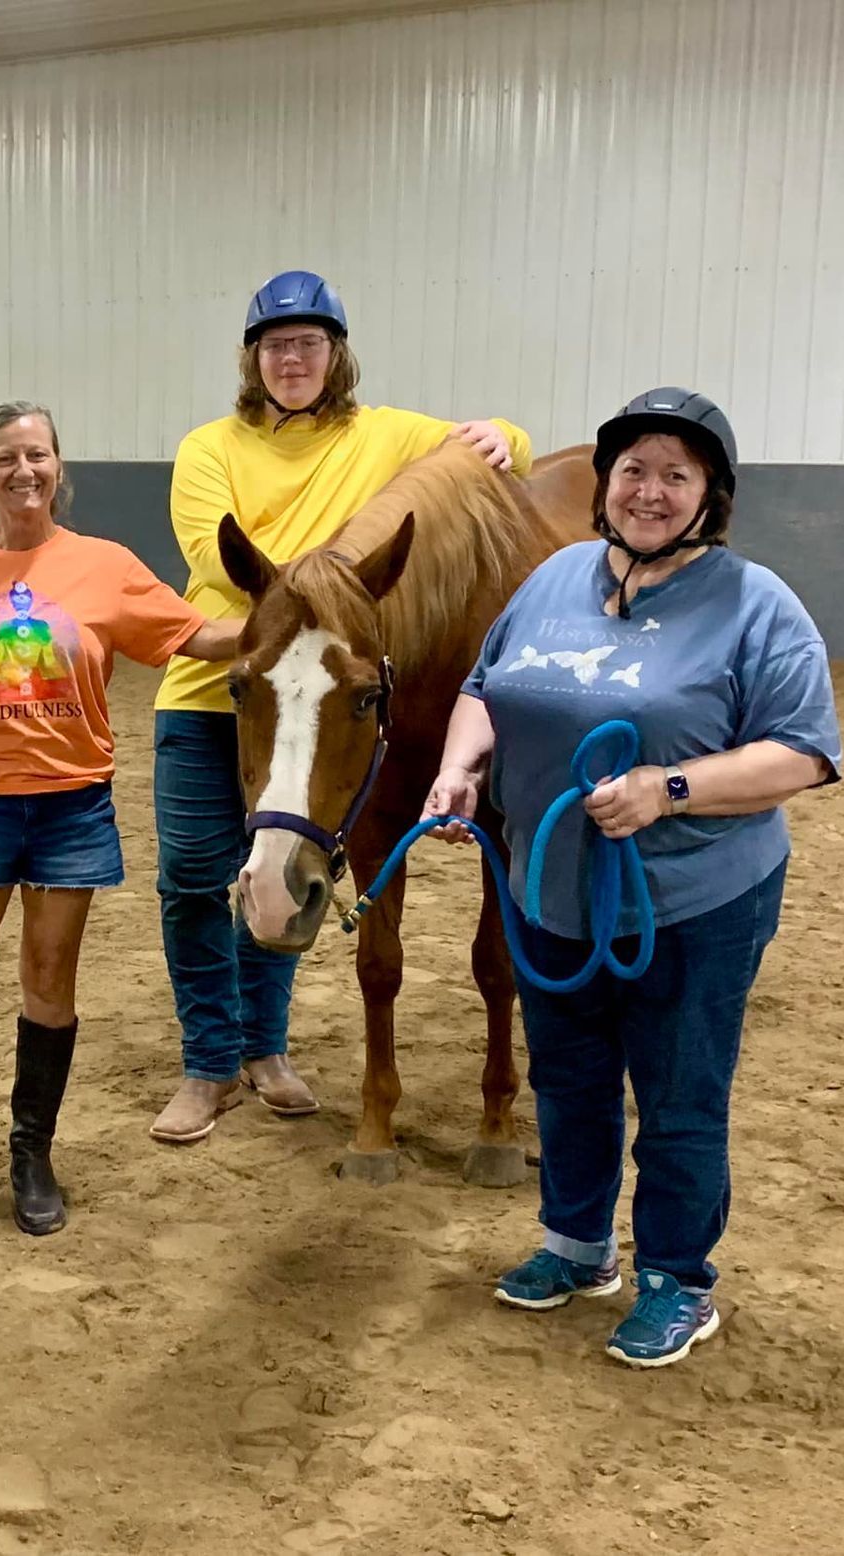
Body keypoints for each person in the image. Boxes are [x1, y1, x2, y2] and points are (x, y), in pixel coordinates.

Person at [422, 387, 841, 1368]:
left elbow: (806, 753)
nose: (649, 491)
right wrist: (459, 767)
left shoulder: (755, 603)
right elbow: (487, 686)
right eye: (633, 470)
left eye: (675, 474)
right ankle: (576, 1243)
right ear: (605, 485)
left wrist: (671, 786)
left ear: (710, 494)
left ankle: (678, 1279)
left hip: (693, 901)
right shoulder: (557, 575)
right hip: (553, 887)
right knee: (567, 1077)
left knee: (679, 1090)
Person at [149, 268, 535, 1144]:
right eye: (276, 345)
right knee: (195, 883)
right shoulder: (207, 449)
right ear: (253, 360)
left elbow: (488, 447)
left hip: (322, 698)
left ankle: (267, 1048)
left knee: (299, 849)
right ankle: (209, 1064)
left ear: (336, 354)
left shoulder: (385, 434)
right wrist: (350, 578)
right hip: (219, 693)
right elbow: (228, 568)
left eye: (309, 343)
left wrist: (501, 433)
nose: (293, 358)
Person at [0, 401, 248, 1235]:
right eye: (6, 458)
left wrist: (300, 608)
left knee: (51, 981)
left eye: (39, 456)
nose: (24, 471)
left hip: (72, 806)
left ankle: (31, 1153)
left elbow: (197, 638)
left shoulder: (105, 566)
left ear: (60, 468)